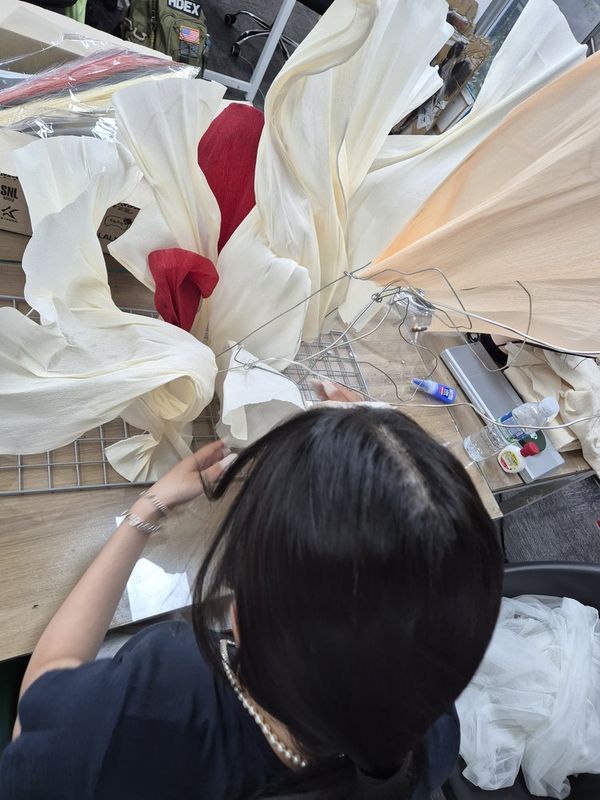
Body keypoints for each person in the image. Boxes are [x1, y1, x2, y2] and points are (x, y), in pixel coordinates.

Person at [0, 382, 503, 800]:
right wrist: (382, 453)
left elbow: (45, 691)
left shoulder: (157, 695)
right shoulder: (428, 739)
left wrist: (147, 510)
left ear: (250, 602)